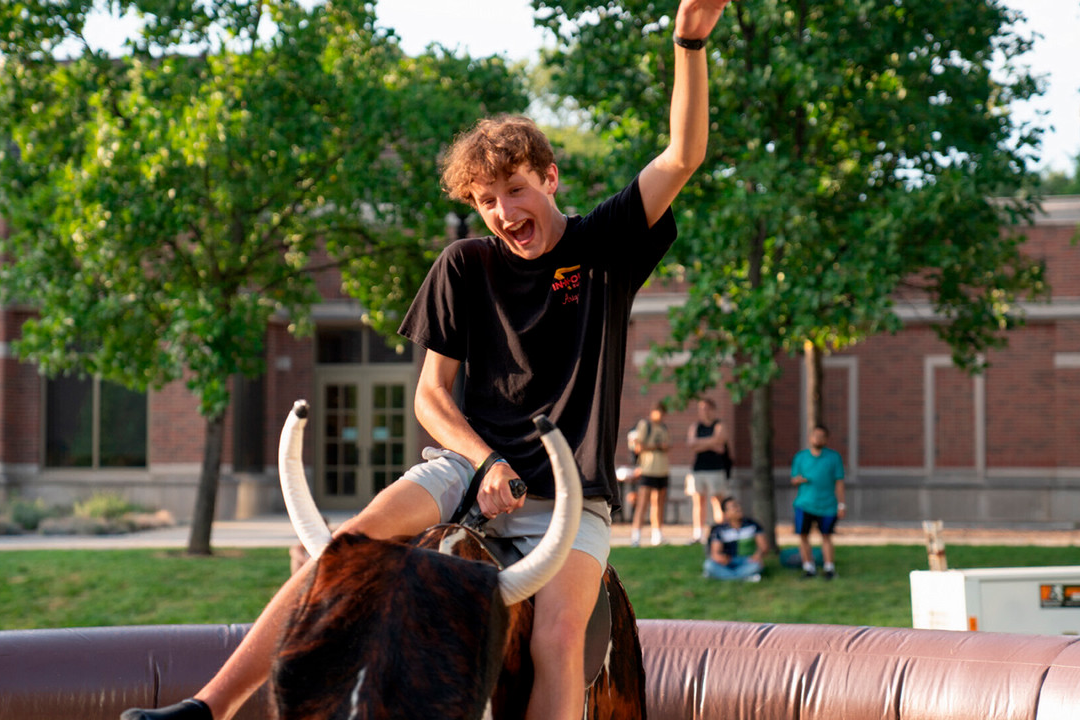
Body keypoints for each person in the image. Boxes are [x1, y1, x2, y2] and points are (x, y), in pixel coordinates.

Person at [121, 2, 733, 718]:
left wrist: (688, 42)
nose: (504, 213)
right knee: (343, 551)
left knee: (559, 641)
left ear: (551, 177)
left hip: (570, 499)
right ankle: (209, 708)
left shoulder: (604, 248)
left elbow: (682, 155)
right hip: (465, 469)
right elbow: (431, 398)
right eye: (486, 201)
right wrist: (483, 462)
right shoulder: (464, 266)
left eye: (515, 190)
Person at [791, 423, 846, 580]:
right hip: (804, 503)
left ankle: (829, 568)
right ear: (810, 437)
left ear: (826, 439)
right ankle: (808, 567)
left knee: (826, 535)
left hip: (828, 505)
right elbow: (793, 479)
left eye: (822, 437)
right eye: (815, 436)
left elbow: (839, 482)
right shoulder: (800, 457)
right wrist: (799, 480)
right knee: (803, 535)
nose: (818, 439)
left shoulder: (834, 457)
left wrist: (841, 504)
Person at [685, 397, 729, 543]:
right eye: (701, 409)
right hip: (699, 468)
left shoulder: (719, 425)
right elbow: (691, 443)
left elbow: (721, 442)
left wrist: (700, 443)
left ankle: (721, 529)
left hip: (715, 468)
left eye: (706, 408)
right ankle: (698, 533)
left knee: (717, 499)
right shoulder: (695, 427)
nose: (703, 412)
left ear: (712, 409)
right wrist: (712, 443)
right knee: (699, 500)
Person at [630, 401, 672, 547]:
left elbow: (667, 445)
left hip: (662, 469)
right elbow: (638, 447)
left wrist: (664, 447)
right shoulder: (645, 425)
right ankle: (636, 535)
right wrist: (657, 447)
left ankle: (657, 535)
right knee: (643, 503)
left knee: (658, 503)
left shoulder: (663, 427)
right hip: (648, 469)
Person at [702, 495, 770, 581]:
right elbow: (715, 553)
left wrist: (758, 555)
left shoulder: (752, 525)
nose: (738, 508)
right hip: (728, 561)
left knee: (757, 565)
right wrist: (720, 558)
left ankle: (724, 576)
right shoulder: (719, 530)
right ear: (726, 513)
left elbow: (764, 547)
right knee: (709, 565)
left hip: (747, 561)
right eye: (733, 507)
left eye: (738, 505)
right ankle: (744, 577)